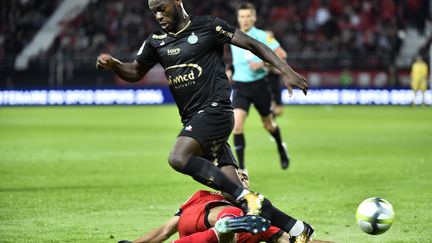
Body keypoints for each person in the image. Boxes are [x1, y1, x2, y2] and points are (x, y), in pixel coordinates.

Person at [96, 0, 312, 241]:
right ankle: (296, 229)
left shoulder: (208, 27)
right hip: (196, 120)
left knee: (178, 157)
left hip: (215, 111)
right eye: (153, 11)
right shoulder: (156, 42)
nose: (158, 15)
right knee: (231, 193)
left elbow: (252, 43)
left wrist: (285, 70)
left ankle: (246, 198)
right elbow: (135, 72)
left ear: (177, 2)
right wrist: (114, 65)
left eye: (161, 8)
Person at [119, 171, 332, 243]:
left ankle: (226, 226)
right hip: (207, 221)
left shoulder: (258, 219)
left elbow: (292, 241)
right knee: (235, 215)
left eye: (244, 178)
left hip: (200, 237)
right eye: (235, 176)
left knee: (243, 216)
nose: (241, 180)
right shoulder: (200, 196)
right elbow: (165, 229)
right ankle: (226, 225)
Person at [229, 3, 291, 171]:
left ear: (254, 17)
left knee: (268, 125)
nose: (245, 19)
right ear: (238, 18)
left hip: (259, 86)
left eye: (248, 16)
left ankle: (280, 147)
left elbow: (282, 54)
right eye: (242, 16)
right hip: (240, 87)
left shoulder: (263, 36)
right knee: (237, 126)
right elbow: (236, 62)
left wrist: (262, 62)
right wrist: (229, 70)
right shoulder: (232, 35)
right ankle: (241, 169)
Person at [265, 30, 287, 117]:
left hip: (275, 80)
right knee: (270, 104)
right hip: (265, 80)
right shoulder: (259, 50)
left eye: (270, 37)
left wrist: (273, 67)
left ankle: (272, 115)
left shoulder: (278, 51)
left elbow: (282, 67)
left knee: (279, 110)